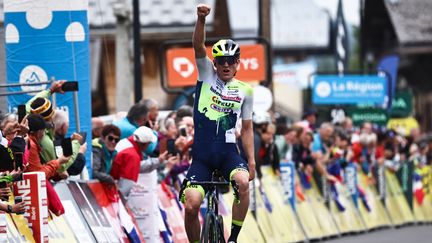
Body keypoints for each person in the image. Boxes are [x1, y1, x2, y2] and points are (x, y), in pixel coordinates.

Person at [182, 5, 255, 243]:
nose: (226, 65)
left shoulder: (245, 90)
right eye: (221, 60)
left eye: (231, 61)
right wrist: (201, 19)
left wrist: (251, 160)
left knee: (243, 183)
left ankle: (232, 237)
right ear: (215, 62)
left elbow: (247, 128)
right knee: (192, 206)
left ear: (237, 63)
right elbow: (197, 46)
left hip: (228, 155)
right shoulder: (206, 75)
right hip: (202, 157)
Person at [25, 114, 69, 179]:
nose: (44, 133)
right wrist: (58, 161)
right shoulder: (31, 145)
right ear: (39, 132)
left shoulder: (30, 142)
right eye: (44, 130)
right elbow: (38, 175)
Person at [52, 110, 87, 176]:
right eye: (68, 125)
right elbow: (74, 168)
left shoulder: (51, 138)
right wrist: (80, 152)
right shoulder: (58, 143)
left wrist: (70, 141)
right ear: (64, 126)